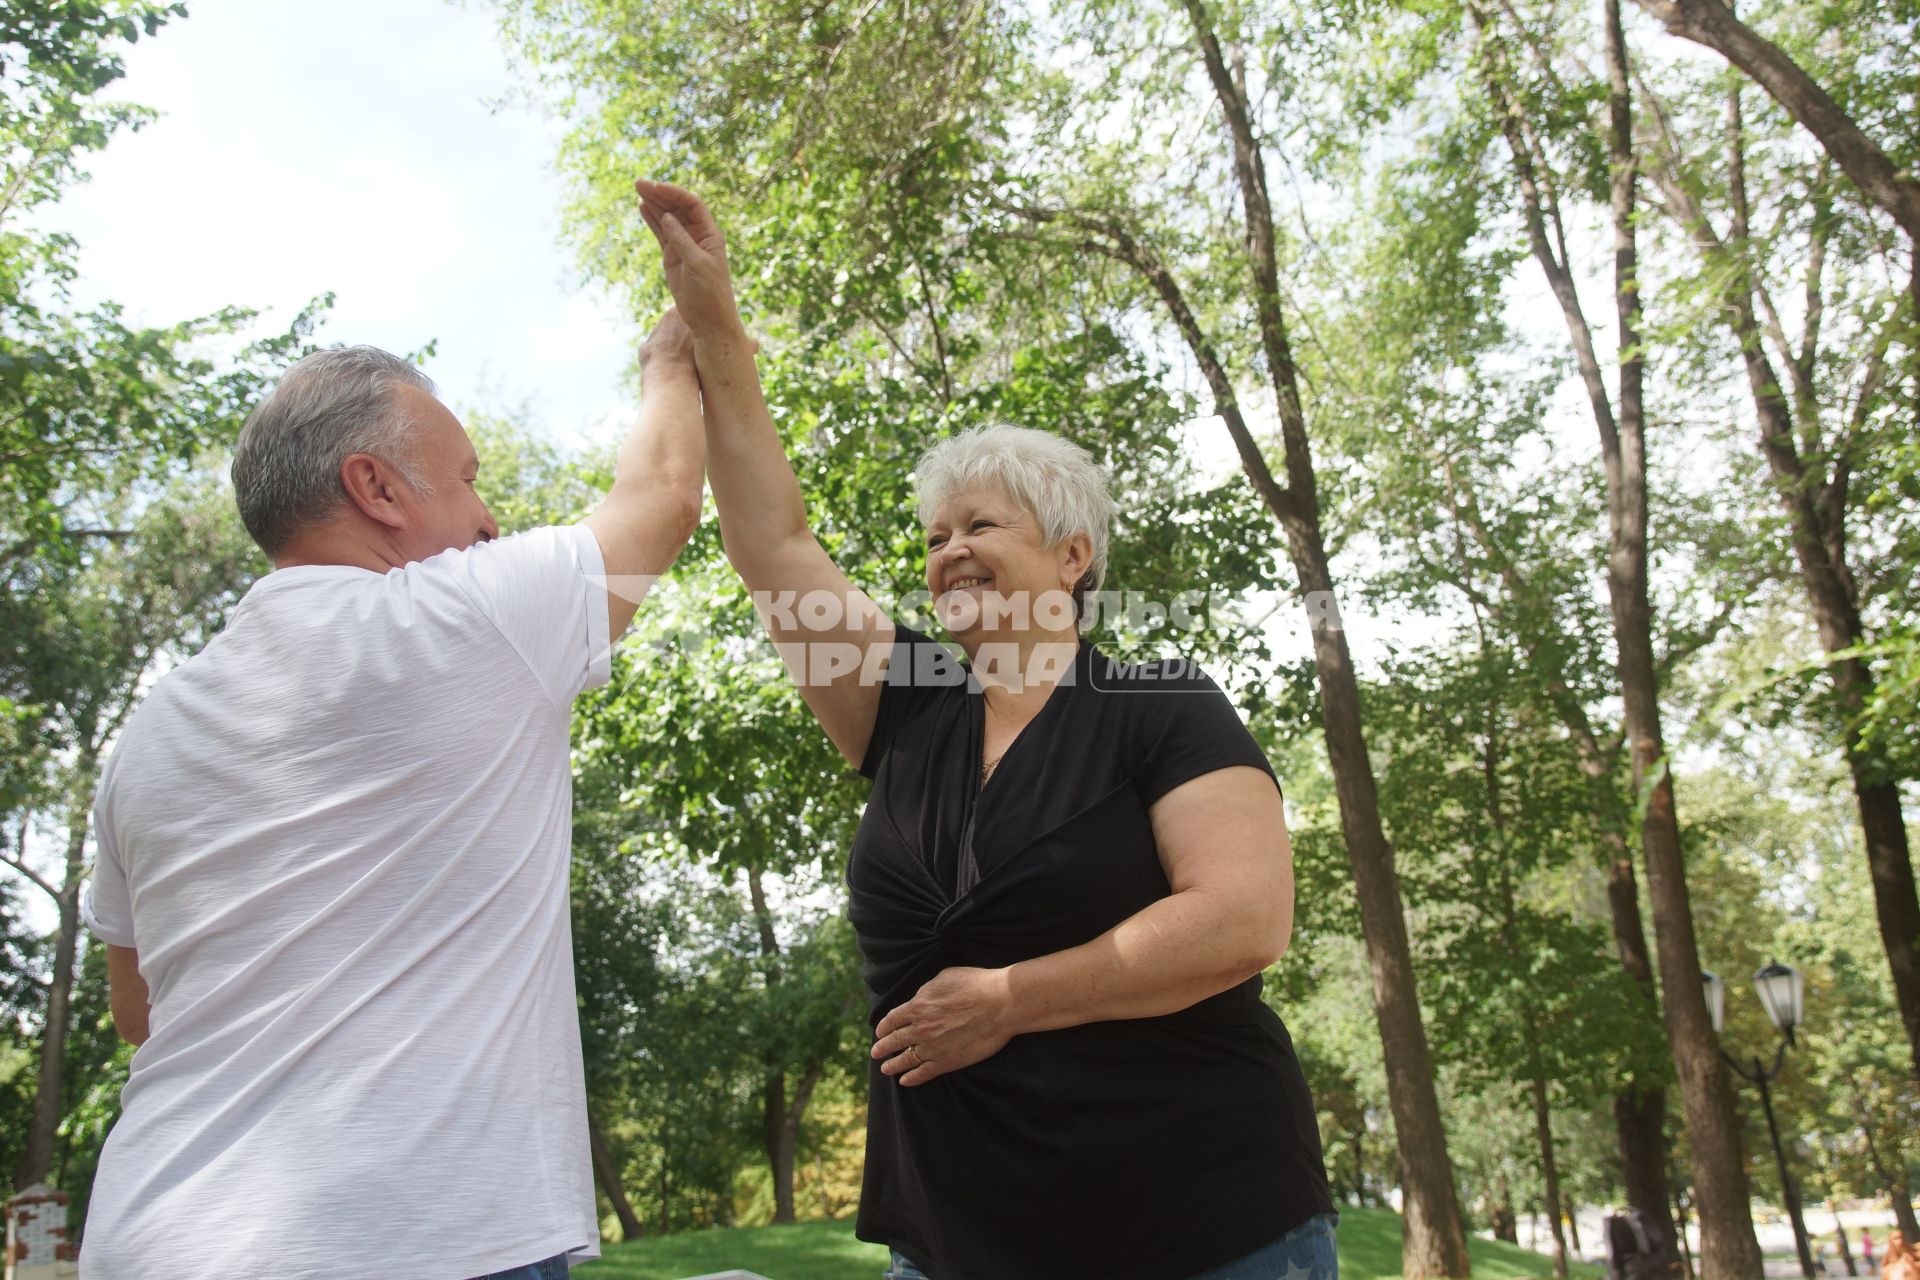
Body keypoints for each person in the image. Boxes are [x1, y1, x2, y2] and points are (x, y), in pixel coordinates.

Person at [633, 178, 1336, 1280]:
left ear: (1070, 556)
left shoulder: (1160, 699)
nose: (948, 547)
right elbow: (773, 541)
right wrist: (716, 334)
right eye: (935, 532)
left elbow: (1242, 919)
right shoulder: (904, 700)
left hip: (1199, 1226)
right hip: (958, 1240)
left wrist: (1011, 998)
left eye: (981, 523)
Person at [77, 297, 705, 1279]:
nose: (488, 514)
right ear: (373, 485)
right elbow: (664, 490)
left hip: (152, 1235)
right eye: (465, 479)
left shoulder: (146, 733)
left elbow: (138, 1009)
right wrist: (675, 351)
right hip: (420, 1232)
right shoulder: (466, 615)